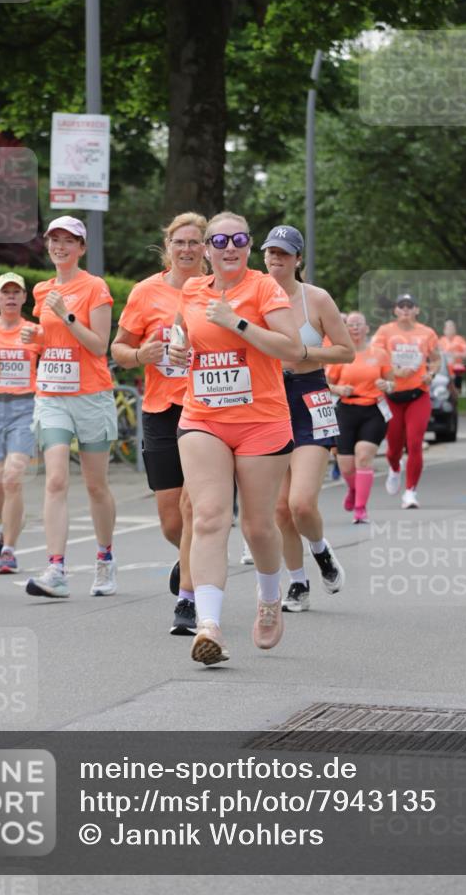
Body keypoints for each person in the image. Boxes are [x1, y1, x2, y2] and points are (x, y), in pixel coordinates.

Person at [169, 212, 304, 665]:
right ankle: (208, 626)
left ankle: (269, 598)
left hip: (262, 420)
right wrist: (176, 346)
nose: (230, 247)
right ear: (206, 249)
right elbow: (182, 332)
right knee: (207, 517)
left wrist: (237, 322)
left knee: (257, 526)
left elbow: (293, 348)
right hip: (203, 416)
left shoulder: (265, 287)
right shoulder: (191, 290)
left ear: (249, 246)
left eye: (240, 239)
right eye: (220, 240)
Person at [111, 212, 207, 634]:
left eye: (194, 242)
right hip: (159, 410)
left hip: (205, 411)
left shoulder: (219, 289)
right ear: (167, 246)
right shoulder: (145, 292)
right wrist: (140, 356)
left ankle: (191, 600)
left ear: (207, 247)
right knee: (172, 521)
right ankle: (187, 558)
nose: (187, 249)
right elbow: (118, 348)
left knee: (195, 508)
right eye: (179, 242)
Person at [21, 216, 117, 599]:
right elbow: (48, 342)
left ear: (81, 248)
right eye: (54, 240)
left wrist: (66, 315)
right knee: (56, 478)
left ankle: (105, 558)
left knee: (95, 485)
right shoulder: (42, 289)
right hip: (52, 395)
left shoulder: (95, 287)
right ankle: (56, 568)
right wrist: (35, 337)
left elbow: (98, 346)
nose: (60, 246)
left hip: (91, 395)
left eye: (68, 241)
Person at [262, 226, 354, 614]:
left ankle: (321, 552)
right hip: (267, 399)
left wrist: (306, 351)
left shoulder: (316, 298)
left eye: (284, 254)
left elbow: (347, 351)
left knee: (301, 504)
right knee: (279, 510)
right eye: (270, 252)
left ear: (298, 259)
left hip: (309, 394)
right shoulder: (252, 295)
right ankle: (297, 582)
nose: (275, 260)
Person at [0, 273, 41, 574]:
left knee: (12, 477)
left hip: (24, 406)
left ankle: (8, 548)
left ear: (23, 298)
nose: (10, 297)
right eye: (4, 292)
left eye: (16, 292)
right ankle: (10, 521)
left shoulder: (34, 331)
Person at [372, 293, 441, 509]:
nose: (405, 310)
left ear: (416, 310)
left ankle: (411, 492)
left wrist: (431, 374)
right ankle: (394, 468)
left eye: (409, 306)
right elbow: (376, 357)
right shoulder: (385, 331)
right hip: (392, 395)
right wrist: (393, 371)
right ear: (395, 310)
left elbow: (436, 359)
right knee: (393, 449)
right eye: (401, 306)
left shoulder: (427, 333)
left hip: (417, 394)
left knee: (414, 443)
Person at [327, 310, 395, 525]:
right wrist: (338, 389)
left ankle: (360, 508)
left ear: (367, 329)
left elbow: (392, 383)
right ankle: (354, 490)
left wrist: (387, 385)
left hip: (373, 410)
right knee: (346, 465)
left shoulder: (380, 354)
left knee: (363, 457)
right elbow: (325, 383)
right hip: (346, 409)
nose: (355, 328)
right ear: (346, 329)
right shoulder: (339, 354)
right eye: (351, 324)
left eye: (359, 324)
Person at [439, 319, 466, 392]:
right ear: (444, 329)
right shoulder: (441, 340)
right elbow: (436, 356)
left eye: (451, 327)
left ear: (455, 329)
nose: (450, 329)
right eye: (448, 327)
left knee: (456, 393)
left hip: (457, 370)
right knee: (444, 392)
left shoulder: (460, 339)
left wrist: (457, 354)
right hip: (444, 371)